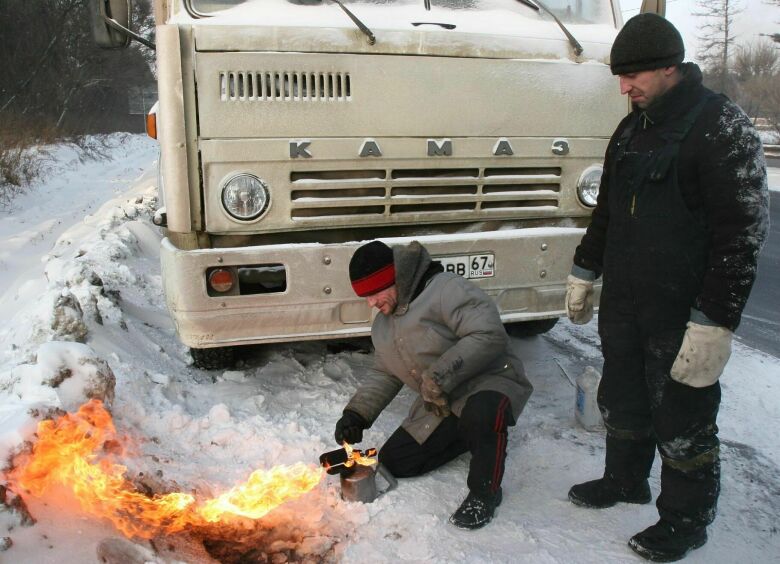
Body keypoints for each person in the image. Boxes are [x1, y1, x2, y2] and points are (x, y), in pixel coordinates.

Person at [564, 13, 769, 562]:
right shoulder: (633, 128)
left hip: (685, 311)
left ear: (670, 67)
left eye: (633, 76)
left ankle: (686, 519)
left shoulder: (719, 126)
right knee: (622, 399)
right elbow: (605, 210)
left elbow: (742, 233)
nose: (624, 87)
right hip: (627, 302)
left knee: (683, 418)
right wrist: (584, 270)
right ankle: (625, 480)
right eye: (620, 77)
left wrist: (716, 321)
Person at [334, 240, 533, 530]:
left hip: (491, 381)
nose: (371, 303)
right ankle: (469, 434)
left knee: (481, 414)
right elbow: (384, 372)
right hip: (444, 400)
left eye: (375, 292)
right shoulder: (383, 326)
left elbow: (488, 334)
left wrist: (439, 376)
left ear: (394, 279)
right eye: (365, 296)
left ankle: (485, 492)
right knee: (397, 461)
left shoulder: (444, 290)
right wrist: (356, 415)